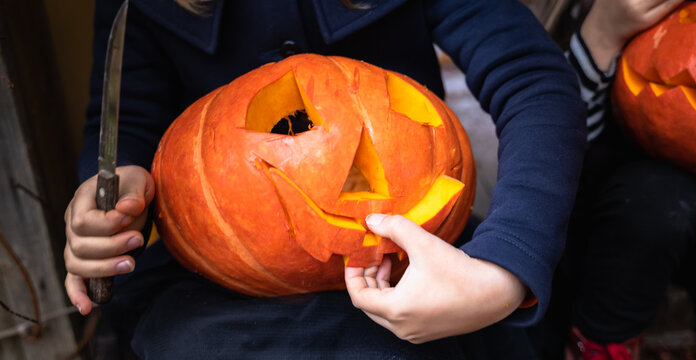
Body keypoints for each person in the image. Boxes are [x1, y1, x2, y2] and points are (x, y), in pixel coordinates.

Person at [64, 0, 586, 358]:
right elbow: (123, 122)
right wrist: (111, 188)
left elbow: (531, 83)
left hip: (417, 255)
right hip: (216, 280)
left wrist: (503, 265)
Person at [530, 0, 696, 359]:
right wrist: (602, 34)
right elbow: (549, 145)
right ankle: (595, 347)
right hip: (616, 214)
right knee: (655, 198)